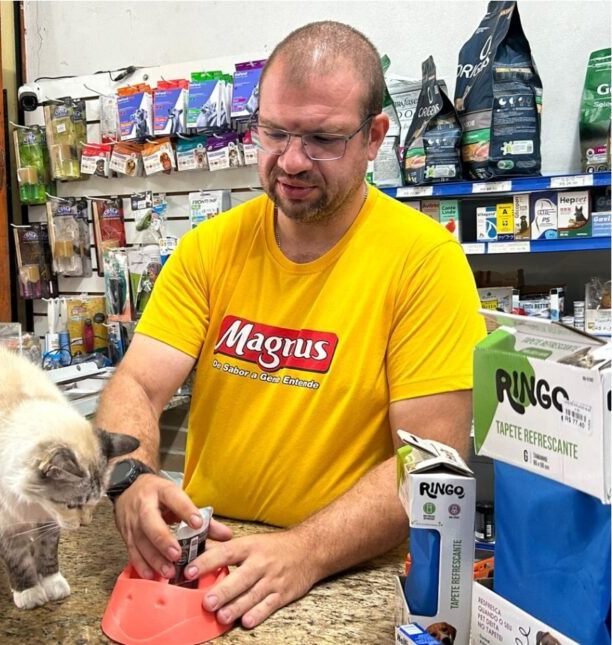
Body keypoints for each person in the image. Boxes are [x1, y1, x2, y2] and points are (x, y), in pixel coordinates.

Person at [96, 20, 485, 630]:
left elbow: (429, 461)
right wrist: (133, 475)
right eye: (275, 132)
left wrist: (306, 550)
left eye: (322, 138)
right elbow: (138, 385)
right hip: (210, 561)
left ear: (373, 137)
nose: (292, 160)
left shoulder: (424, 263)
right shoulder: (208, 249)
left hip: (347, 576)